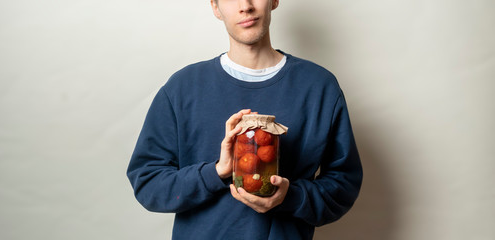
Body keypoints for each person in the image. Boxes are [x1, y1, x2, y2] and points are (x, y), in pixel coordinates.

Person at [126, 0, 363, 239]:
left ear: (274, 1)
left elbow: (344, 185)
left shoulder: (319, 87)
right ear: (216, 7)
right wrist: (216, 172)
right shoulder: (182, 88)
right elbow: (148, 182)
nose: (245, 5)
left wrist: (290, 197)